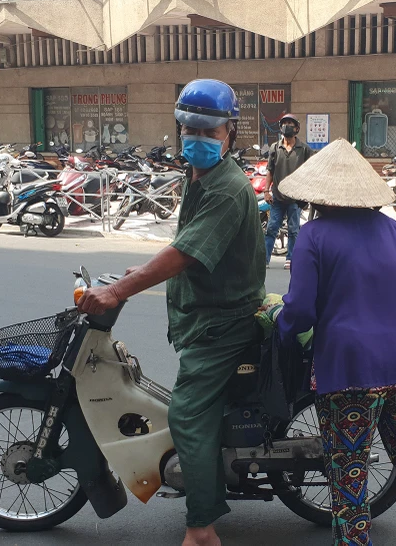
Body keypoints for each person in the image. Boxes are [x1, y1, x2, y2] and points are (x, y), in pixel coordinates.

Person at [77, 78, 265, 546]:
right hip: (205, 315)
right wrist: (140, 272)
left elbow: (185, 254)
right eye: (190, 130)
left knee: (186, 416)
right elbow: (187, 244)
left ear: (230, 133)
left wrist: (119, 290)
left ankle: (201, 528)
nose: (198, 139)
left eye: (209, 132)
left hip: (222, 324)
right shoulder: (200, 176)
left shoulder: (227, 189)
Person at [275, 139, 396, 546]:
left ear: (316, 197)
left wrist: (281, 328)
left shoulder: (313, 236)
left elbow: (299, 310)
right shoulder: (393, 230)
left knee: (350, 483)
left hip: (347, 375)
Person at [263, 113, 313, 269]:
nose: (287, 127)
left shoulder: (304, 149)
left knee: (293, 230)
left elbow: (310, 172)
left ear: (297, 128)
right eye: (285, 124)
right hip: (277, 198)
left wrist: (307, 194)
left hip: (295, 199)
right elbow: (270, 171)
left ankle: (290, 259)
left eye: (291, 124)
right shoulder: (275, 148)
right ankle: (264, 259)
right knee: (271, 229)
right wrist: (266, 191)